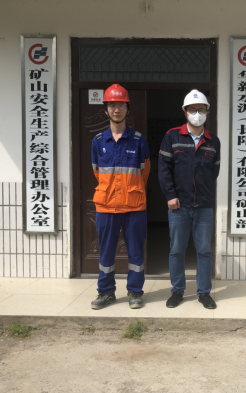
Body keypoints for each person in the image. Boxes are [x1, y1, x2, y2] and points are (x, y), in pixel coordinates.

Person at [158, 89, 221, 309]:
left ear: (207, 112)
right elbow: (164, 169)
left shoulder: (213, 141)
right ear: (185, 112)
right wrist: (171, 195)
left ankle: (204, 293)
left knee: (204, 250)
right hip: (178, 205)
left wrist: (203, 193)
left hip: (204, 205)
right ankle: (177, 291)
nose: (197, 114)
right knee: (177, 250)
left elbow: (213, 172)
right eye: (192, 110)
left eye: (201, 110)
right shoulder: (172, 136)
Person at [90, 84, 150, 310]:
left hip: (134, 205)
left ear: (127, 109)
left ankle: (135, 291)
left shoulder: (138, 140)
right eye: (112, 105)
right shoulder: (97, 141)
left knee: (135, 251)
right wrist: (111, 191)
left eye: (121, 105)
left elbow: (145, 171)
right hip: (106, 205)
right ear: (106, 109)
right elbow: (97, 171)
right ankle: (106, 292)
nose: (117, 109)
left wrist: (130, 190)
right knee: (106, 252)